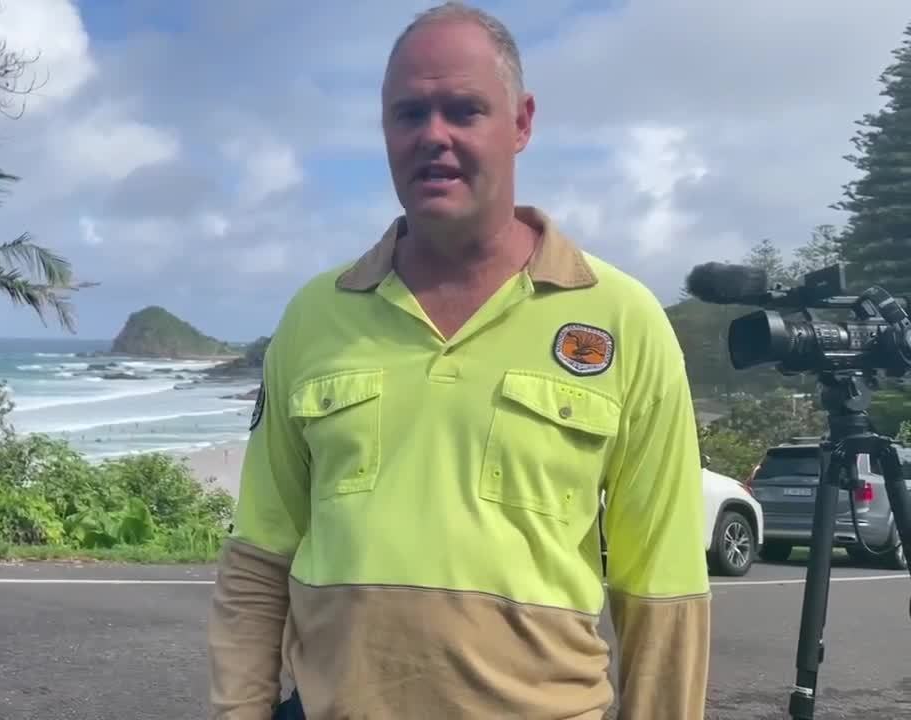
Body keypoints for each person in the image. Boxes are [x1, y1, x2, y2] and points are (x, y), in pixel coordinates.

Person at [206, 3, 711, 719]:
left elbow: (662, 589)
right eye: (408, 113)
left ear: (522, 122)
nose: (432, 136)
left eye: (463, 110)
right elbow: (259, 560)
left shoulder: (623, 320)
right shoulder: (315, 317)